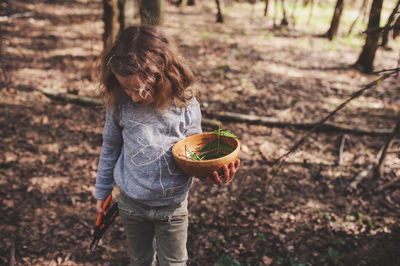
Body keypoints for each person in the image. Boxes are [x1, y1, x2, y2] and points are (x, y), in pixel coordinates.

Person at [94, 25, 240, 266]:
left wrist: (212, 173)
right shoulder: (121, 104)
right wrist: (102, 190)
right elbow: (110, 147)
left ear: (161, 76)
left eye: (139, 89)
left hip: (172, 208)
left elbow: (195, 153)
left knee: (174, 262)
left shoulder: (185, 103)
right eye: (126, 88)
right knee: (140, 260)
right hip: (131, 205)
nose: (132, 95)